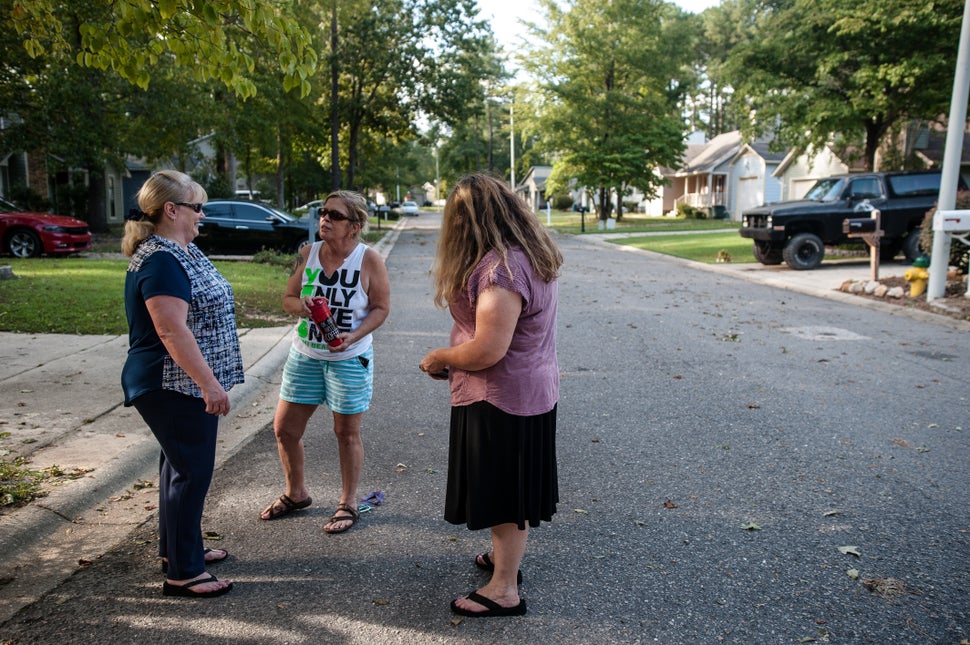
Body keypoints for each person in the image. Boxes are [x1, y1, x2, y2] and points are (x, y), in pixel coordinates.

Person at [419, 173, 562, 618]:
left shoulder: (501, 269)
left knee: (503, 493)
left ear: (469, 220)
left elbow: (487, 349)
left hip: (501, 397)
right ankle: (505, 563)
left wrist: (442, 355)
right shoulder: (529, 255)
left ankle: (503, 589)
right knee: (509, 487)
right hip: (525, 390)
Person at [121, 170, 243, 598]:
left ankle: (179, 551)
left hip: (179, 382)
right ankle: (184, 573)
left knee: (179, 469)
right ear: (171, 210)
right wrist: (210, 385)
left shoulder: (180, 250)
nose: (202, 215)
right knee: (190, 473)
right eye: (196, 207)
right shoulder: (160, 260)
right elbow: (171, 331)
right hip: (171, 383)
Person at [259, 190, 390, 534]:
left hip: (349, 357)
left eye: (334, 215)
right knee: (284, 430)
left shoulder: (369, 260)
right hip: (306, 355)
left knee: (346, 433)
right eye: (323, 212)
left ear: (355, 226)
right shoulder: (308, 253)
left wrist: (355, 334)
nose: (325, 219)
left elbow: (381, 308)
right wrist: (301, 305)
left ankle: (348, 502)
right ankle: (296, 493)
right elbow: (287, 298)